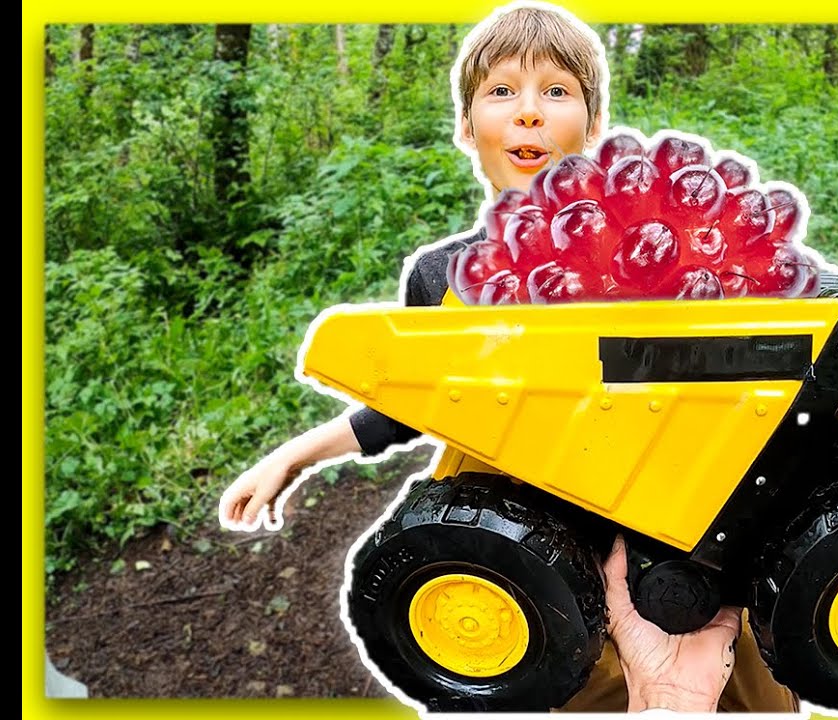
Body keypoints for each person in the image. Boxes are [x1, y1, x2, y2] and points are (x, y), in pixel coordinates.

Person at [218, 3, 799, 713]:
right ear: (467, 127)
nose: (530, 112)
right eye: (502, 91)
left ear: (593, 127)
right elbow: (414, 403)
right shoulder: (441, 277)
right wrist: (296, 455)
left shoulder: (658, 252)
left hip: (689, 574)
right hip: (536, 579)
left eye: (556, 92)